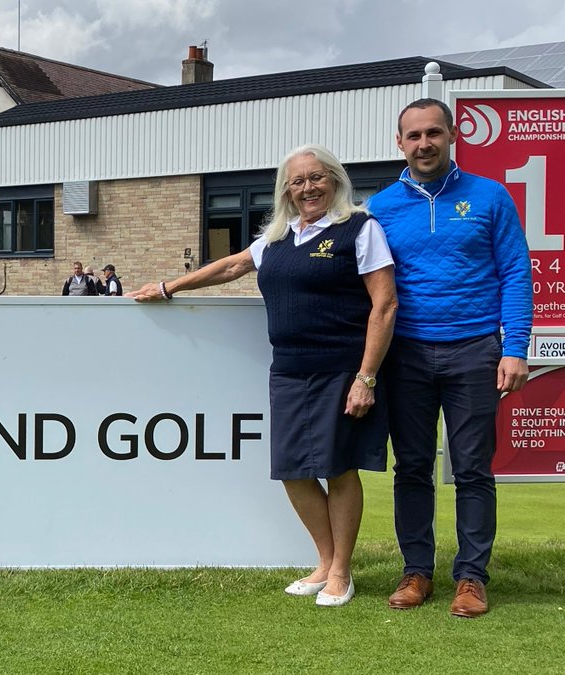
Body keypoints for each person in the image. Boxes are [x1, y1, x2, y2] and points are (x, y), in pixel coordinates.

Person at [130, 144, 397, 608]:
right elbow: (232, 265)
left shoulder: (359, 228)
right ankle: (324, 559)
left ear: (334, 180)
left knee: (338, 467)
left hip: (341, 369)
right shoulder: (278, 237)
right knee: (292, 471)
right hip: (289, 371)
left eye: (317, 178)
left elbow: (385, 303)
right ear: (286, 191)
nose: (308, 188)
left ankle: (340, 572)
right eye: (298, 181)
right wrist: (169, 286)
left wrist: (366, 377)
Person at [368, 98, 533, 618]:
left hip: (475, 351)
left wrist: (515, 349)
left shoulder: (490, 197)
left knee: (473, 471)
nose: (424, 144)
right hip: (407, 357)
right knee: (412, 469)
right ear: (399, 143)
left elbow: (516, 274)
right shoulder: (380, 208)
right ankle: (416, 572)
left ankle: (471, 578)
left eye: (433, 133)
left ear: (453, 134)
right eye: (413, 136)